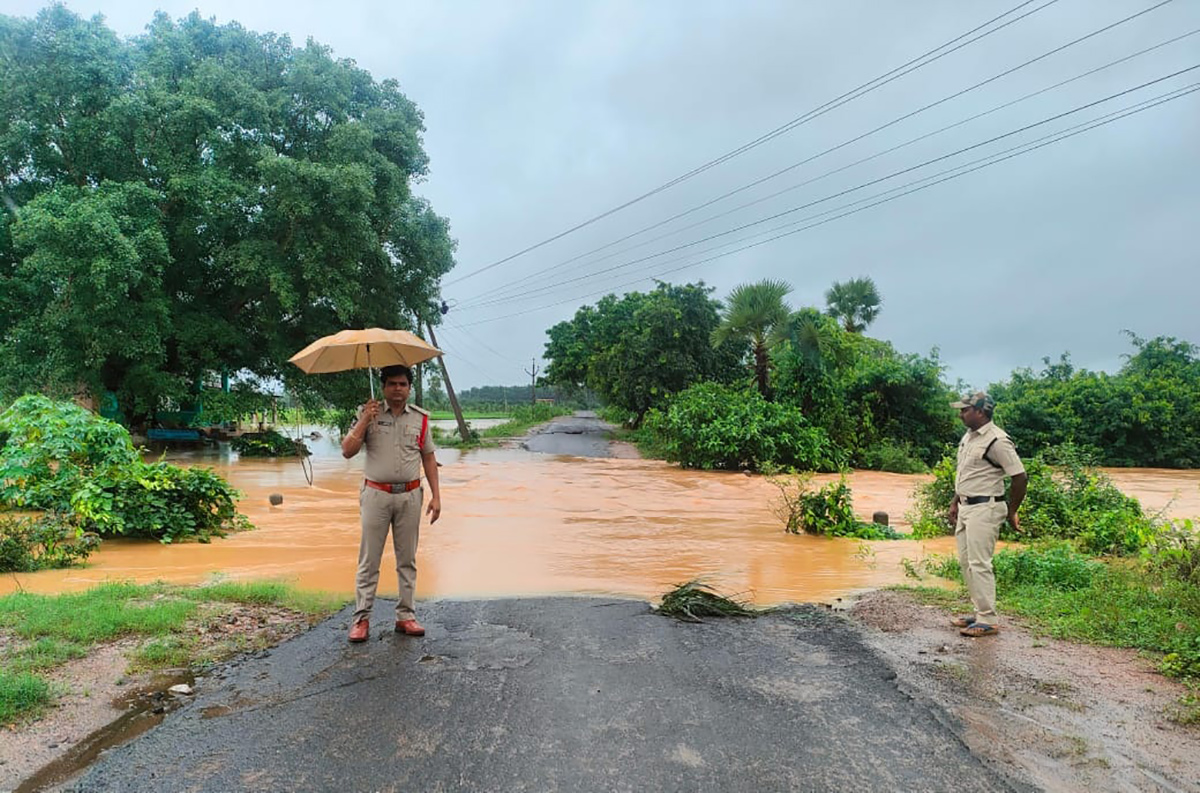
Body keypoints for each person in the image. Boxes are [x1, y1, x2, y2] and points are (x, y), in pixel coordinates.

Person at [341, 364, 442, 642]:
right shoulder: (369, 414)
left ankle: (406, 616)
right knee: (369, 559)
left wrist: (436, 496)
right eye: (392, 384)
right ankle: (361, 619)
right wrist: (364, 420)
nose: (398, 389)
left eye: (403, 384)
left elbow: (429, 458)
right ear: (383, 387)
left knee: (407, 560)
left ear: (410, 388)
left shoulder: (420, 420)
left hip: (410, 496)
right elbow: (347, 451)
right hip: (376, 495)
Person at [948, 391, 1027, 638]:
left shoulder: (998, 441)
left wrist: (1012, 511)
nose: (961, 413)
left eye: (965, 409)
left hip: (986, 508)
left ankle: (988, 620)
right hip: (967, 507)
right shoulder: (969, 437)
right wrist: (955, 500)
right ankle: (980, 612)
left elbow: (1020, 477)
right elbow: (967, 473)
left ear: (981, 412)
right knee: (966, 562)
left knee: (980, 563)